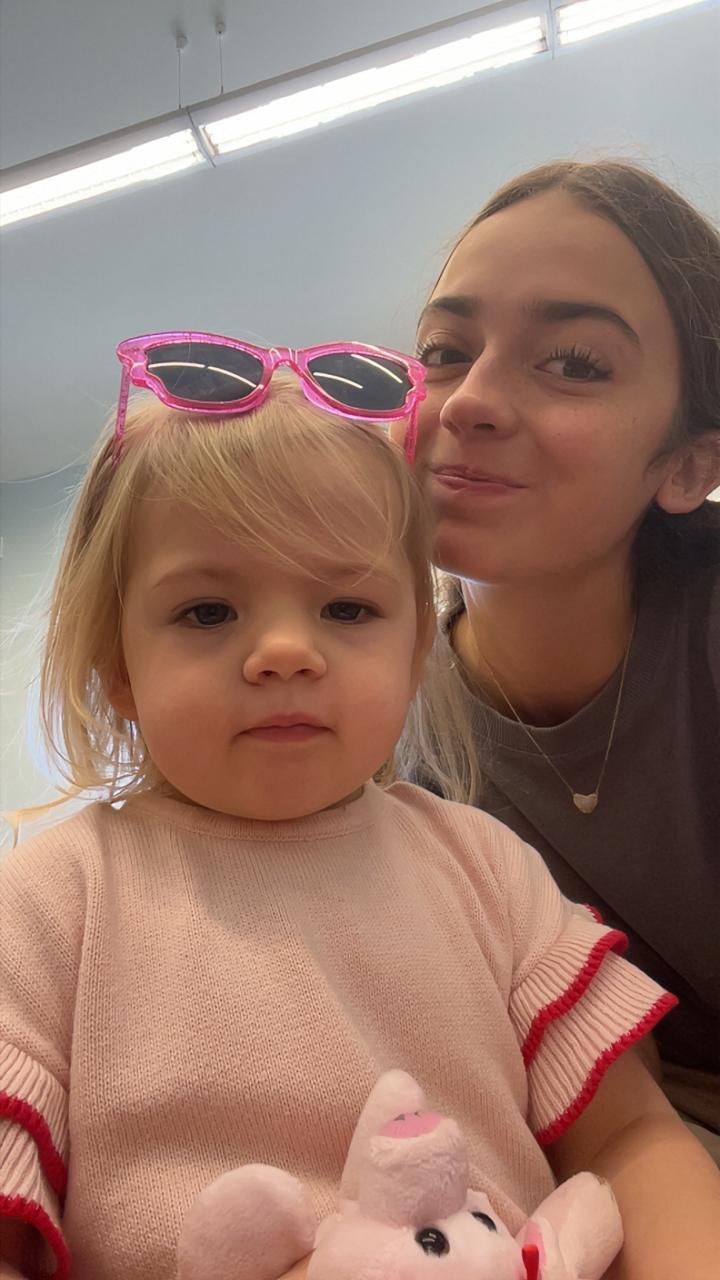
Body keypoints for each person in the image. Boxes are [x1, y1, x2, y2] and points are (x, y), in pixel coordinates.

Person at [1, 337, 719, 1280]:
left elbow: (630, 1137)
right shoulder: (49, 899)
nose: (285, 653)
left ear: (415, 653)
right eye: (207, 612)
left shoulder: (487, 866)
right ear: (117, 671)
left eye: (346, 609)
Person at [393, 160, 720, 1146]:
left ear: (689, 465)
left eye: (574, 363)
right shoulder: (375, 732)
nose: (469, 401)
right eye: (445, 351)